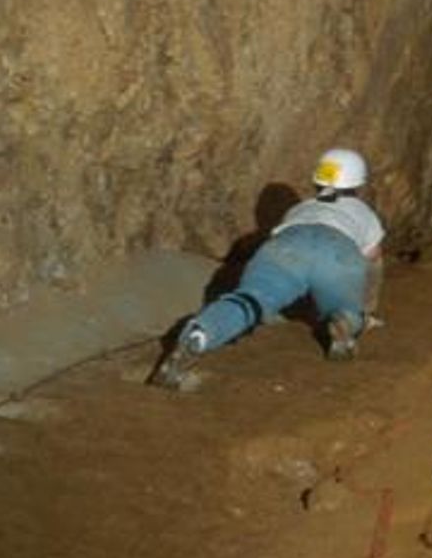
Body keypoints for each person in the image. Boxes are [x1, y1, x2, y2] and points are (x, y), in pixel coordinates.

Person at [149, 148, 385, 389]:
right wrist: (365, 303)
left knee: (251, 299)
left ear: (317, 180)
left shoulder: (301, 209)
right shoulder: (363, 213)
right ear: (358, 184)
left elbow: (279, 237)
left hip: (284, 247)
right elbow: (372, 256)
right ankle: (344, 321)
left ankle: (202, 333)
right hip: (338, 251)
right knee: (344, 307)